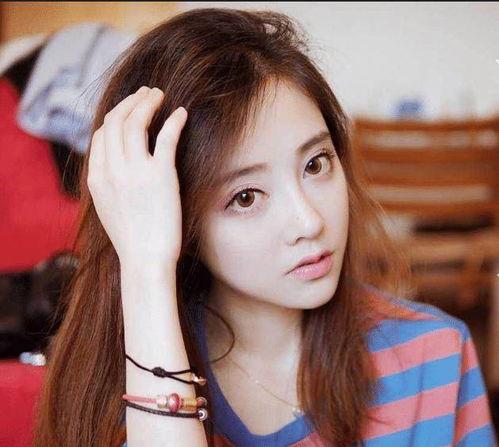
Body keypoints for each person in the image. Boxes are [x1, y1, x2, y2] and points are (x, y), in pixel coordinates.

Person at [32, 7, 497, 447]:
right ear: (177, 217)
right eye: (246, 197)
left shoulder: (436, 356)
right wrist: (144, 265)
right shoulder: (121, 379)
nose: (309, 221)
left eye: (316, 164)